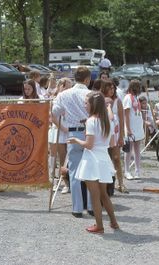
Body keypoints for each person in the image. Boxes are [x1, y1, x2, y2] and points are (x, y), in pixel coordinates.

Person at [67, 91, 119, 234]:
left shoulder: (91, 121)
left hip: (92, 160)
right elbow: (112, 142)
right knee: (104, 194)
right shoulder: (108, 120)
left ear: (92, 105)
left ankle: (99, 225)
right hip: (103, 158)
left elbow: (89, 145)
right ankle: (113, 222)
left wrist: (75, 140)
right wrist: (108, 107)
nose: (84, 105)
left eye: (86, 103)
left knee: (95, 195)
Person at [52, 66, 93, 218]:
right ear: (87, 79)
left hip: (73, 132)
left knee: (74, 171)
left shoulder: (64, 95)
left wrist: (63, 128)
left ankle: (76, 208)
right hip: (89, 132)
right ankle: (91, 205)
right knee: (90, 171)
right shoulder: (90, 94)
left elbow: (53, 113)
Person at [99, 80, 127, 193]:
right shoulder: (100, 100)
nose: (111, 91)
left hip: (115, 132)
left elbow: (121, 118)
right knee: (105, 158)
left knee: (116, 158)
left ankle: (121, 183)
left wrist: (121, 136)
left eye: (113, 89)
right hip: (104, 132)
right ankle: (106, 184)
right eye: (109, 88)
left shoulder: (117, 101)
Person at [49, 78, 72, 194]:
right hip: (58, 130)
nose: (70, 89)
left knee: (67, 158)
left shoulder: (70, 98)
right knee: (58, 157)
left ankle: (67, 182)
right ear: (62, 86)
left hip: (68, 129)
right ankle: (58, 181)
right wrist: (63, 128)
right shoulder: (55, 98)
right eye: (68, 86)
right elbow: (51, 116)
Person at [123, 80, 145, 179]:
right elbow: (126, 115)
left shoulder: (136, 97)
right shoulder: (128, 98)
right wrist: (128, 128)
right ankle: (127, 171)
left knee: (137, 149)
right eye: (137, 87)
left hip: (138, 127)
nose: (139, 89)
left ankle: (137, 170)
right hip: (131, 127)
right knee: (128, 150)